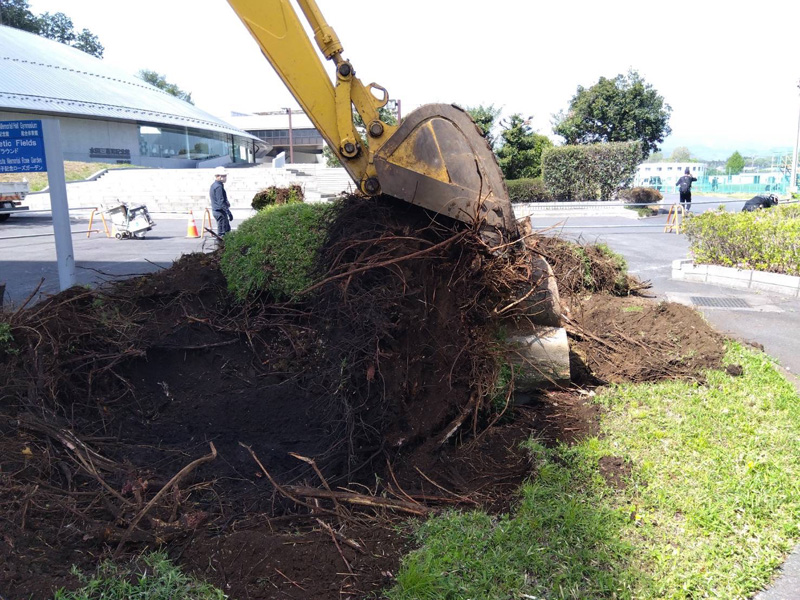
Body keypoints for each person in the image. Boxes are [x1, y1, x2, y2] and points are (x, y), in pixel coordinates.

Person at [209, 166, 233, 238]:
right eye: (224, 176)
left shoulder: (214, 185)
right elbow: (221, 202)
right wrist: (228, 212)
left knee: (225, 230)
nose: (225, 177)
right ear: (218, 176)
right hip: (220, 212)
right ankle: (222, 247)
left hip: (217, 211)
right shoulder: (218, 187)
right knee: (223, 233)